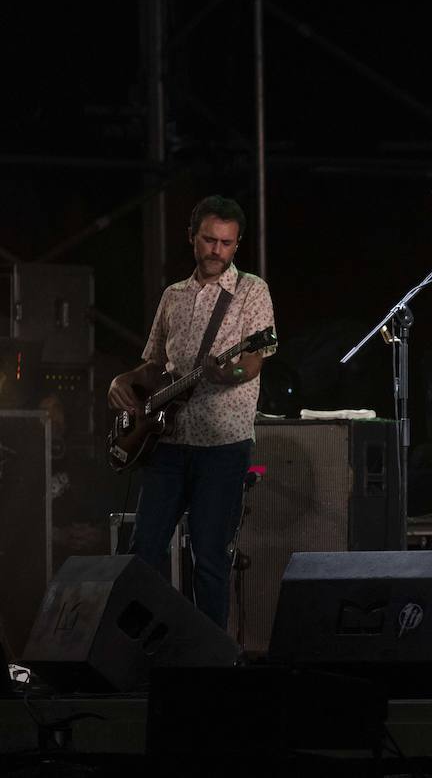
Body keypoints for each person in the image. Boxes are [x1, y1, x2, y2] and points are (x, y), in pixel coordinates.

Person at [108, 195, 275, 629]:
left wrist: (230, 371)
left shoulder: (251, 291)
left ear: (237, 245)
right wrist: (123, 381)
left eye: (226, 242)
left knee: (210, 559)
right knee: (144, 551)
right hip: (166, 443)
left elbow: (255, 359)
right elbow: (155, 364)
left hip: (222, 447)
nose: (217, 250)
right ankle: (141, 649)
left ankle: (209, 662)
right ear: (192, 238)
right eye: (209, 240)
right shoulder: (173, 296)